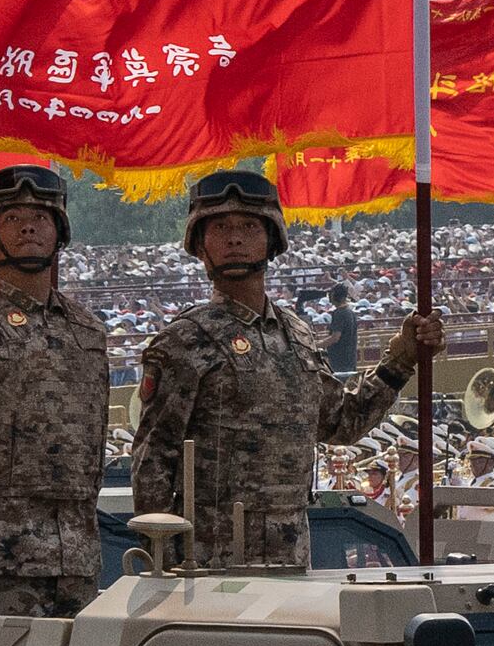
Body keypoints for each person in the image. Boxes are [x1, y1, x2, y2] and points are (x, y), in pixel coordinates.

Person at [137, 165, 434, 573]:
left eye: (248, 226)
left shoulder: (297, 335)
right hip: (207, 563)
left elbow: (341, 423)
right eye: (220, 228)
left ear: (271, 239)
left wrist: (400, 361)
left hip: (291, 557)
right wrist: (162, 565)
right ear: (201, 244)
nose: (235, 238)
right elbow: (153, 462)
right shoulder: (182, 342)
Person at [0, 164, 119, 615]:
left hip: (77, 553)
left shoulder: (86, 329)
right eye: (12, 218)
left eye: (41, 217)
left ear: (59, 233)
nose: (29, 226)